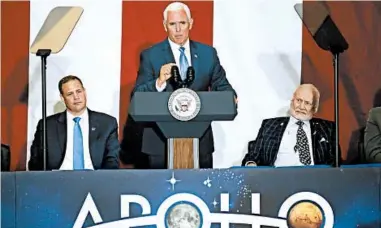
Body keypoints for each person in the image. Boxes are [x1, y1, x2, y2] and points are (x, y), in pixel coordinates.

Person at [130, 2, 237, 169]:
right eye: (173, 24)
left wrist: (231, 98)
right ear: (165, 26)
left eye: (182, 23)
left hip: (200, 142)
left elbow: (222, 86)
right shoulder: (151, 55)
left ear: (191, 23)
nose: (178, 29)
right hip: (159, 143)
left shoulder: (207, 54)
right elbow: (137, 97)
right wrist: (159, 82)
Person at [28, 75, 120, 171]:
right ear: (62, 98)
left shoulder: (107, 124)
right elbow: (35, 163)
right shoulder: (47, 126)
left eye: (79, 91)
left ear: (85, 92)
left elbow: (112, 162)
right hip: (57, 181)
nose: (76, 97)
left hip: (94, 181)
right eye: (70, 94)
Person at [241, 84, 340, 167]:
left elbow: (335, 161)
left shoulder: (327, 128)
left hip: (315, 180)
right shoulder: (270, 126)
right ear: (292, 100)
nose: (301, 107)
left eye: (307, 103)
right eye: (298, 100)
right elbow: (253, 156)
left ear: (314, 108)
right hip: (278, 180)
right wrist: (251, 165)